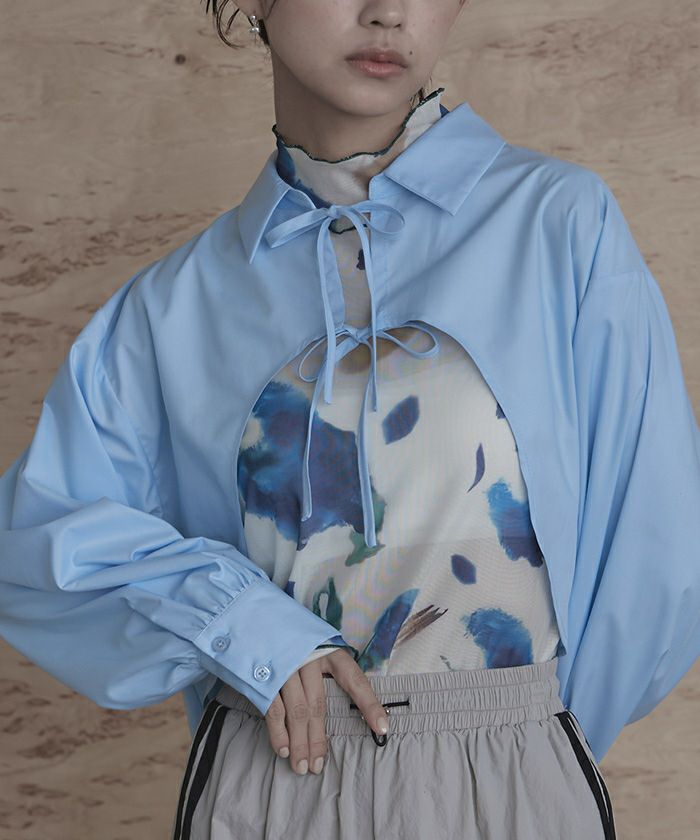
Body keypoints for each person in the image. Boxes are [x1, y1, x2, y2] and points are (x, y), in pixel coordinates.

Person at [1, 2, 698, 838]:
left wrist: (528, 741)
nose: (389, 12)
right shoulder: (173, 307)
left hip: (514, 776)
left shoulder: (558, 224)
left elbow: (658, 552)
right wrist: (246, 626)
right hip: (273, 781)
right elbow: (36, 543)